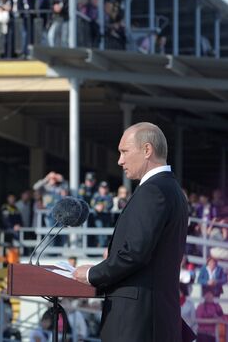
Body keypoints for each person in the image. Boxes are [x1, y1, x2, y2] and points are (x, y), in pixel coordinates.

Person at [73, 122, 190, 342]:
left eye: (124, 151)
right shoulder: (171, 189)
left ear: (147, 150)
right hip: (152, 318)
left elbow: (135, 253)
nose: (120, 160)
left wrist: (92, 274)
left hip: (137, 323)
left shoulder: (153, 191)